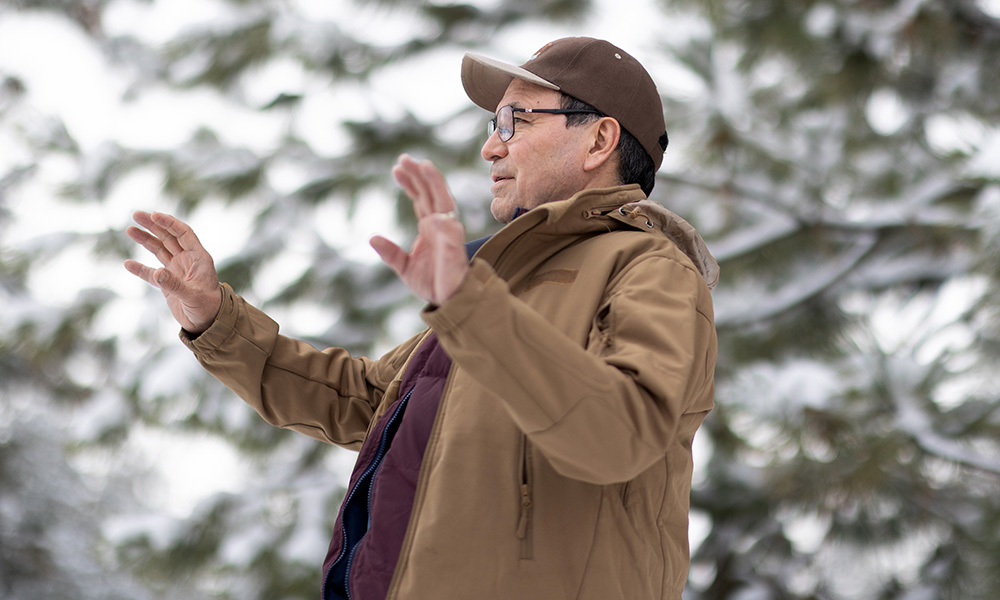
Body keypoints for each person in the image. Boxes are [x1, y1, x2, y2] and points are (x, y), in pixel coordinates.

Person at [125, 36, 719, 600]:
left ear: (599, 141)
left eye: (516, 121)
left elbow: (621, 433)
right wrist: (216, 322)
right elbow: (363, 399)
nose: (492, 147)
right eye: (493, 126)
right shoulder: (496, 290)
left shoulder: (652, 269)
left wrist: (470, 306)